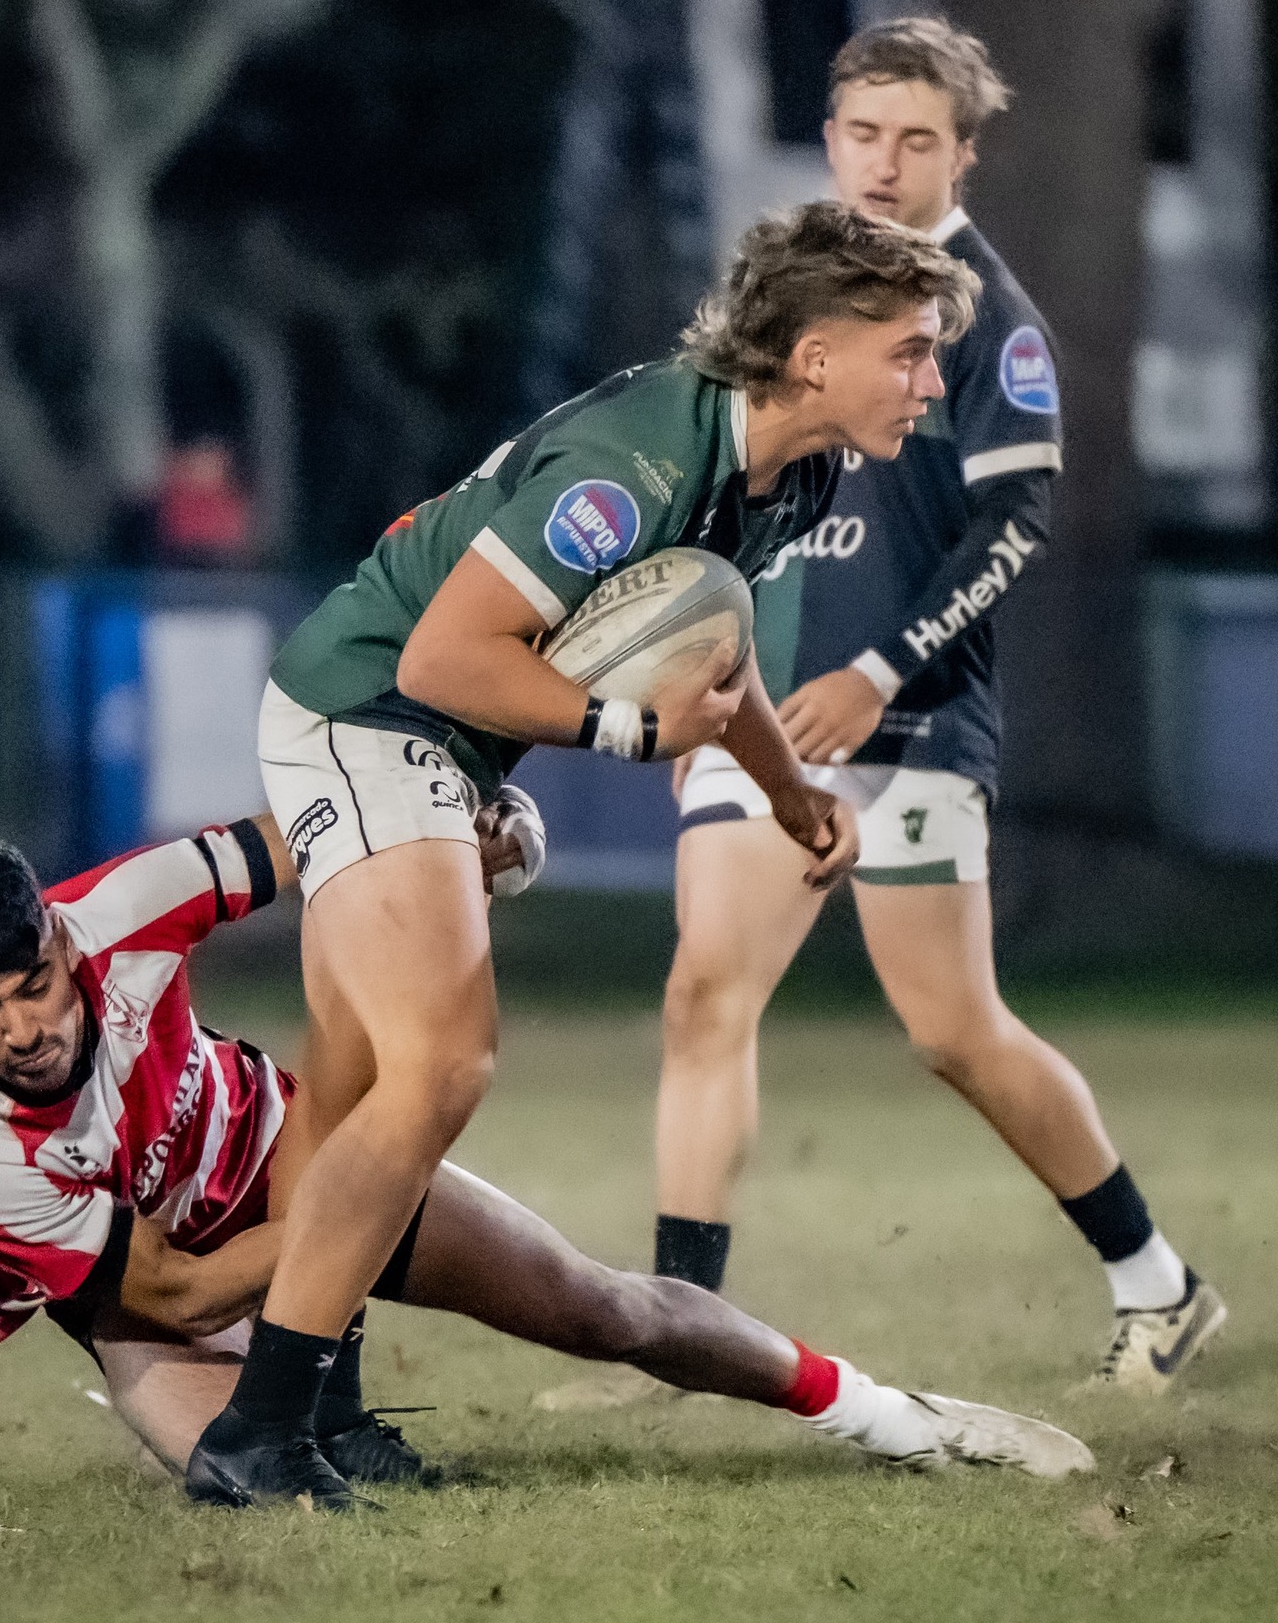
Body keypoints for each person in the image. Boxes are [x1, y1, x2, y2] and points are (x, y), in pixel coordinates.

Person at [201, 202, 982, 1509]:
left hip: (427, 738)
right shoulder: (633, 465)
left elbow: (709, 661)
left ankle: (310, 1411)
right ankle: (258, 1435)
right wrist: (616, 727)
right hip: (369, 708)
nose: (932, 377)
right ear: (812, 356)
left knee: (351, 1088)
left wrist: (791, 800)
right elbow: (441, 659)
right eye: (907, 349)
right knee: (441, 1064)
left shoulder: (795, 472)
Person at [0, 822, 1095, 1508]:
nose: (22, 1029)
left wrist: (463, 834)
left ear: (57, 934)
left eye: (34, 986)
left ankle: (891, 1416)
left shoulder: (126, 902)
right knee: (267, 1490)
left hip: (263, 1146)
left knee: (598, 1302)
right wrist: (346, 1209)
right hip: (149, 1289)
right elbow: (175, 1295)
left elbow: (316, 827)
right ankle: (324, 1397)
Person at [654, 19, 1225, 1391]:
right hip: (777, 714)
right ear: (832, 137)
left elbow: (1016, 523)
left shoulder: (990, 320)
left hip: (908, 718)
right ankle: (672, 1329)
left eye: (917, 138)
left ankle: (1160, 1284)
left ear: (963, 153)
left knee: (953, 1032)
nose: (884, 162)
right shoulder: (793, 298)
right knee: (703, 994)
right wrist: (714, 689)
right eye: (862, 131)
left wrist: (881, 669)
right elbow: (726, 492)